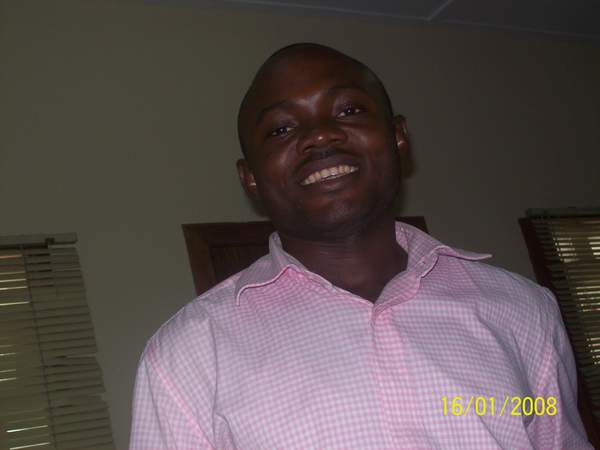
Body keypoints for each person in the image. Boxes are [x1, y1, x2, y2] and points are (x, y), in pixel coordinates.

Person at [129, 43, 592, 449]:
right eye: (281, 130)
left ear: (398, 136)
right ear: (250, 177)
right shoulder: (187, 354)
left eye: (349, 110)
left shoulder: (524, 310)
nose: (319, 135)